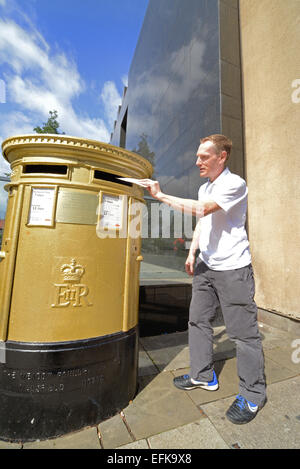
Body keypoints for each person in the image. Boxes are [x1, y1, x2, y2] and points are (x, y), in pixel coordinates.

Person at [140, 134, 266, 425]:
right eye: (197, 156)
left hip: (233, 268)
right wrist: (192, 251)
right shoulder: (203, 187)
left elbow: (203, 209)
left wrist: (160, 196)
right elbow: (203, 221)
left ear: (221, 157)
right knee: (197, 320)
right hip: (206, 265)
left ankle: (253, 394)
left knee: (243, 334)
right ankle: (203, 375)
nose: (197, 161)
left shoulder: (235, 184)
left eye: (204, 156)